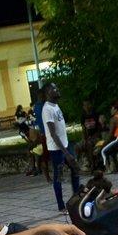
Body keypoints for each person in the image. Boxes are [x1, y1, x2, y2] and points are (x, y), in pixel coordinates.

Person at [42, 83, 82, 212]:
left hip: (64, 145)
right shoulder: (47, 109)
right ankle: (61, 206)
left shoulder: (55, 106)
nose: (57, 89)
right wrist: (66, 153)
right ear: (48, 92)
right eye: (54, 88)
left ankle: (76, 199)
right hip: (57, 149)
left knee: (75, 169)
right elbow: (53, 133)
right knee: (58, 176)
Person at [78, 99, 104, 168]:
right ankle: (84, 162)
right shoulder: (83, 116)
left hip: (98, 137)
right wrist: (84, 139)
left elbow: (100, 128)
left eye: (87, 105)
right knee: (78, 146)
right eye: (84, 105)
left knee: (89, 144)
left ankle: (92, 164)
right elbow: (84, 129)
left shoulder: (96, 114)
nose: (86, 107)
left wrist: (94, 137)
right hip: (89, 137)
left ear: (90, 105)